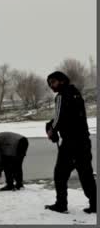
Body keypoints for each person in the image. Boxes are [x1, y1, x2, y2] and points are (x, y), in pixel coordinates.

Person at [44, 71, 96, 214]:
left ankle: (61, 204)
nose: (51, 86)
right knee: (86, 175)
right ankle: (95, 204)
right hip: (84, 141)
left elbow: (59, 118)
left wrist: (51, 130)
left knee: (60, 174)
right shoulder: (75, 93)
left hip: (70, 144)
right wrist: (53, 125)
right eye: (49, 84)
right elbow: (69, 117)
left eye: (53, 82)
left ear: (61, 81)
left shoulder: (61, 96)